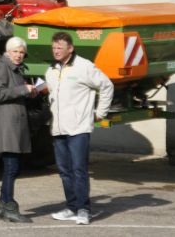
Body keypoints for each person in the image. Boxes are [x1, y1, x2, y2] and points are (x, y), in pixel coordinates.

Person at [45, 31, 114, 226]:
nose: (56, 50)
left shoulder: (84, 67)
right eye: (54, 47)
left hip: (78, 128)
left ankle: (84, 209)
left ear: (70, 48)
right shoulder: (51, 71)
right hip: (58, 129)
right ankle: (72, 206)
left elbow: (107, 85)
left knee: (78, 169)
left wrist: (101, 112)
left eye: (60, 47)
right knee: (64, 171)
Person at [0, 36, 36, 223]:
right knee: (11, 168)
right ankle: (9, 205)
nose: (19, 55)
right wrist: (23, 90)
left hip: (15, 125)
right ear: (8, 52)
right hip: (7, 127)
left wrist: (31, 91)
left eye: (22, 52)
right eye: (16, 52)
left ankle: (2, 206)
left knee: (12, 168)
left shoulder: (16, 69)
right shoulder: (3, 67)